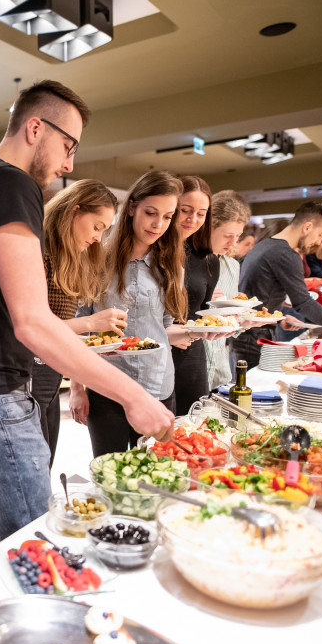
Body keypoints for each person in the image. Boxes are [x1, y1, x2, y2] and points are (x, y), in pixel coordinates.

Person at [0, 81, 174, 566]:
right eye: (68, 146)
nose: (68, 164)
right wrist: (134, 396)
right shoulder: (9, 183)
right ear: (35, 127)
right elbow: (34, 323)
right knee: (40, 554)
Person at [69, 170, 189, 455]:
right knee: (110, 471)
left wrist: (198, 333)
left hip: (159, 387)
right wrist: (76, 388)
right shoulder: (95, 258)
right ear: (132, 207)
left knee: (155, 473)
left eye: (168, 216)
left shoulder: (172, 267)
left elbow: (163, 329)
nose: (158, 224)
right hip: (107, 387)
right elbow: (78, 327)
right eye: (151, 212)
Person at [30, 179, 122, 465]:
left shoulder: (67, 256)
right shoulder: (39, 251)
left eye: (103, 231)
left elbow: (58, 329)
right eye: (97, 227)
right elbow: (34, 326)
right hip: (28, 379)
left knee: (44, 467)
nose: (97, 238)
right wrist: (90, 323)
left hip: (50, 376)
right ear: (74, 210)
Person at [231, 201, 322, 369]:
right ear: (307, 227)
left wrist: (279, 318)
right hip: (254, 334)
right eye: (321, 234)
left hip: (248, 331)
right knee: (253, 390)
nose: (319, 242)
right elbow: (302, 302)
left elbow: (260, 294)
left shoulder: (265, 246)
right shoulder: (286, 253)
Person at [168, 176, 237, 415]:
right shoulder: (152, 252)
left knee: (189, 431)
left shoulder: (207, 259)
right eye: (185, 210)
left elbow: (201, 314)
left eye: (201, 213)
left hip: (191, 358)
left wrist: (230, 318)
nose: (192, 219)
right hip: (153, 354)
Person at [204, 190, 252, 390]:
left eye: (238, 236)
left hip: (220, 371)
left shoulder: (232, 266)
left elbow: (228, 327)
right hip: (192, 369)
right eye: (228, 236)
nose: (233, 243)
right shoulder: (186, 261)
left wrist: (241, 322)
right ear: (207, 228)